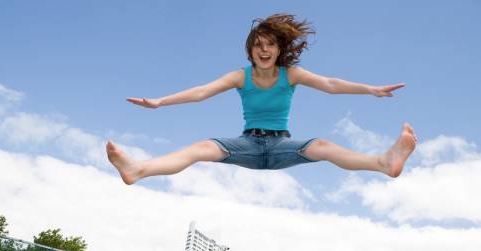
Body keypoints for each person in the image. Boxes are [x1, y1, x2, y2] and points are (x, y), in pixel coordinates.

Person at [107, 13, 417, 185]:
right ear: (250, 50)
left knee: (322, 146)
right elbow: (201, 92)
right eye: (258, 45)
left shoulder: (290, 74)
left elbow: (331, 84)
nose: (265, 50)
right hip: (248, 146)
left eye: (270, 44)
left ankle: (384, 162)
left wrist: (370, 89)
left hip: (283, 147)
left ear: (279, 49)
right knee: (201, 148)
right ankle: (138, 170)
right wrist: (161, 101)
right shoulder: (239, 77)